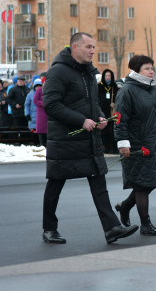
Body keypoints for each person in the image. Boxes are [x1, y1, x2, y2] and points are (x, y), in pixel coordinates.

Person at [42, 33, 139, 244]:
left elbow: (89, 103)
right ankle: (49, 228)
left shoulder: (88, 72)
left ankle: (112, 228)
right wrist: (81, 121)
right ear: (75, 48)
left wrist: (99, 117)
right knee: (55, 184)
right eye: (88, 47)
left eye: (94, 47)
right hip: (65, 140)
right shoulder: (58, 71)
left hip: (89, 139)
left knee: (99, 184)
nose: (93, 50)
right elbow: (51, 105)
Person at [113, 55, 156, 236]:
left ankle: (125, 206)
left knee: (150, 183)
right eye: (147, 68)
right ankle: (145, 223)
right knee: (141, 185)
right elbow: (120, 119)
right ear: (136, 71)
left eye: (152, 68)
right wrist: (123, 143)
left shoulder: (155, 90)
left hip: (152, 144)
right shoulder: (127, 91)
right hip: (136, 145)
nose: (151, 71)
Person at [98, 69, 118, 154]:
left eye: (109, 76)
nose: (107, 77)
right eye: (106, 76)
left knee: (112, 131)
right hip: (103, 111)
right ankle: (106, 147)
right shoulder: (99, 86)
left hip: (112, 111)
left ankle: (113, 147)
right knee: (104, 131)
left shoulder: (114, 86)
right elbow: (97, 99)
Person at [33, 77, 48, 147]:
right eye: (44, 82)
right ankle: (41, 144)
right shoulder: (39, 90)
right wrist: (44, 103)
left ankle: (47, 144)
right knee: (41, 130)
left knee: (48, 129)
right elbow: (35, 100)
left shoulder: (50, 89)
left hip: (48, 113)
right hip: (41, 113)